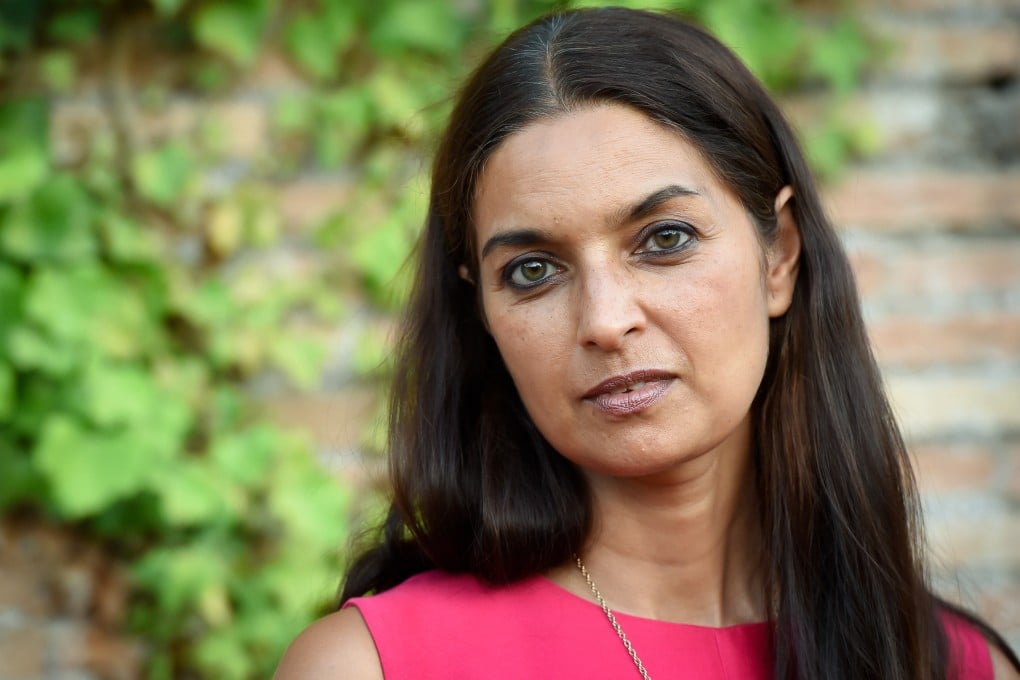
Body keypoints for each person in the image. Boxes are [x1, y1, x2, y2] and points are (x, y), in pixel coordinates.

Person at [275, 7, 1020, 679]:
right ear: (482, 312)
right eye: (533, 271)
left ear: (779, 256)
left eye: (665, 239)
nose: (605, 319)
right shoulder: (372, 666)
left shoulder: (945, 663)